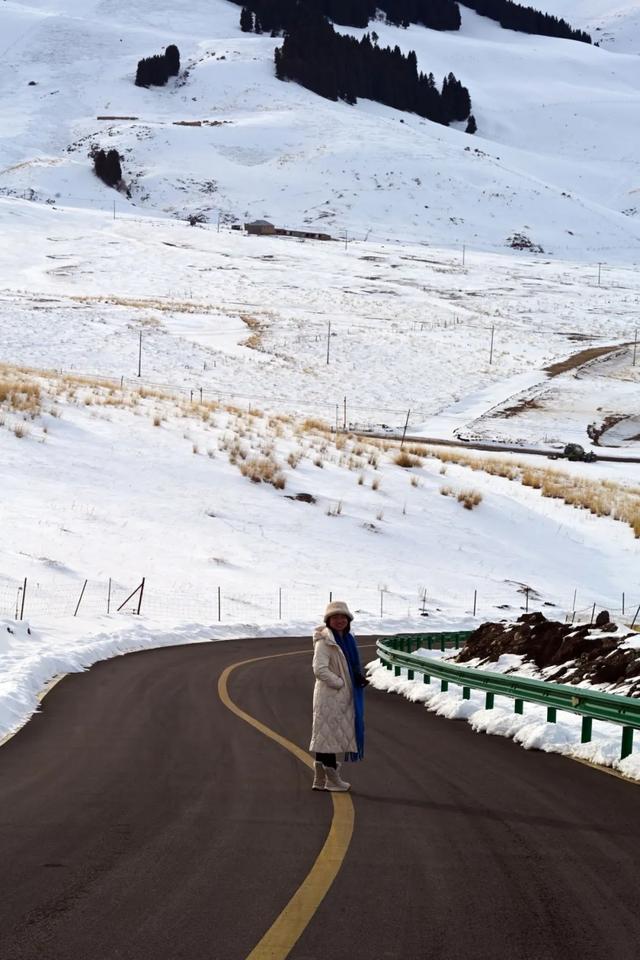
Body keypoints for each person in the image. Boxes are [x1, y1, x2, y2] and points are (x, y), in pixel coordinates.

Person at [309, 600, 368, 792]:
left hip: (338, 697)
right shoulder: (325, 641)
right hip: (329, 696)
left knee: (325, 736)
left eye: (343, 616)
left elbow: (347, 666)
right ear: (328, 620)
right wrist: (340, 683)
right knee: (328, 738)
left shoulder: (346, 640)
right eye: (335, 617)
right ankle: (332, 779)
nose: (340, 620)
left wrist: (356, 677)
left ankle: (319, 779)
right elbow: (319, 669)